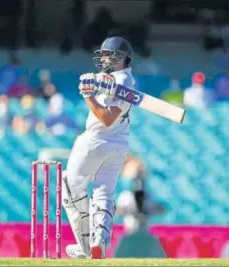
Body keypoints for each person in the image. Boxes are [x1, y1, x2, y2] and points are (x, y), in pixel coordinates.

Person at [62, 36, 135, 259]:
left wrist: (88, 97)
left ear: (120, 58)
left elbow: (107, 117)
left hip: (95, 140)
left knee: (69, 188)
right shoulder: (123, 80)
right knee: (103, 192)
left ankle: (85, 246)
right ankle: (99, 241)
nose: (103, 58)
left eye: (107, 54)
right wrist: (100, 81)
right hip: (119, 144)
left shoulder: (122, 82)